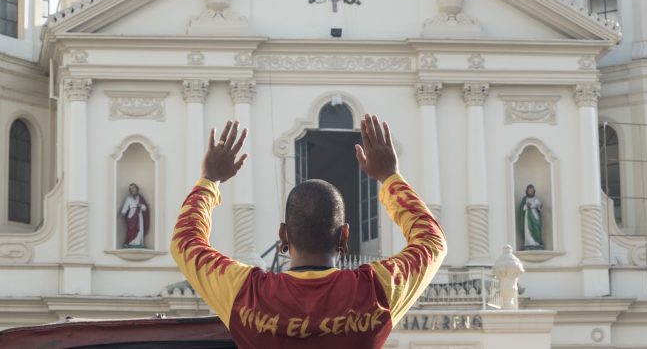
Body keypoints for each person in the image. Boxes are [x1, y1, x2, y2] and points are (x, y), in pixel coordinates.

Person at [171, 114, 446, 348]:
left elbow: (185, 241)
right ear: (344, 237)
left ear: (283, 236)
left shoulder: (247, 293)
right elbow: (431, 242)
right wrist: (389, 177)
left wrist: (210, 180)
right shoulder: (375, 290)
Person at [119, 182, 150, 248]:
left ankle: (138, 243)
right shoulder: (128, 198)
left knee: (140, 229)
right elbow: (125, 207)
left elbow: (145, 208)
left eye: (134, 188)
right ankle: (130, 243)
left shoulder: (141, 198)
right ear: (130, 190)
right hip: (131, 216)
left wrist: (140, 205)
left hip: (139, 216)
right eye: (131, 189)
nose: (133, 190)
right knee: (131, 229)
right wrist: (123, 213)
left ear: (137, 189)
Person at [518, 184, 544, 250]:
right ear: (527, 191)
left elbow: (539, 206)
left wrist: (540, 206)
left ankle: (536, 243)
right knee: (528, 229)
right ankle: (528, 243)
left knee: (536, 227)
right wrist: (526, 206)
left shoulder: (536, 199)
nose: (530, 192)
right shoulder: (525, 199)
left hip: (535, 214)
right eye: (529, 191)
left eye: (532, 191)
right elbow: (522, 209)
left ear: (534, 191)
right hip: (527, 215)